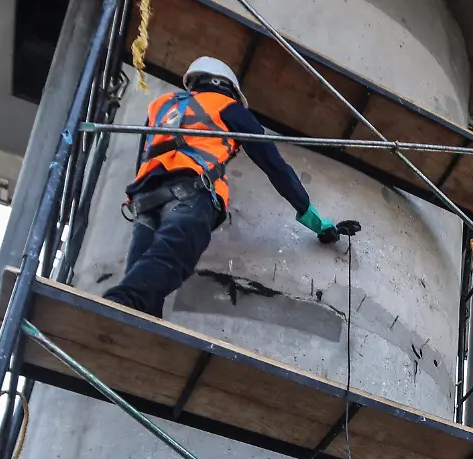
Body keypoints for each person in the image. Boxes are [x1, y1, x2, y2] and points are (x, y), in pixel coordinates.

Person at [104, 56, 356, 316]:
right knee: (172, 255)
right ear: (228, 88)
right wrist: (315, 220)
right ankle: (121, 301)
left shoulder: (160, 106)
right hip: (190, 192)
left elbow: (144, 156)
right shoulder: (228, 107)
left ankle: (128, 323)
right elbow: (273, 164)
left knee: (143, 284)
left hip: (144, 199)